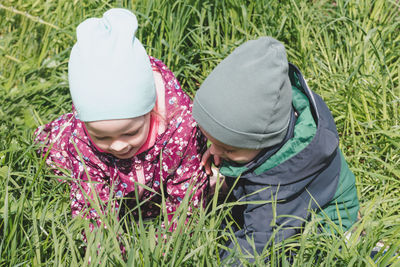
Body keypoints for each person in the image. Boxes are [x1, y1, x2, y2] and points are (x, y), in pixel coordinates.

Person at [34, 8, 208, 229]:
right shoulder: (81, 141)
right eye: (102, 136)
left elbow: (187, 197)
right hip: (102, 173)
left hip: (154, 183)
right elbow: (92, 208)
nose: (118, 145)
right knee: (56, 152)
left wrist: (170, 247)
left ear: (151, 110)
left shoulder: (181, 129)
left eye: (130, 132)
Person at [192, 37, 359, 260]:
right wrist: (223, 150)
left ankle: (360, 245)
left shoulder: (276, 190)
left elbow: (254, 245)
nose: (214, 151)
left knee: (292, 256)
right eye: (210, 141)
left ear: (264, 141)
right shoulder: (274, 122)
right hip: (291, 197)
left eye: (228, 149)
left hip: (328, 216)